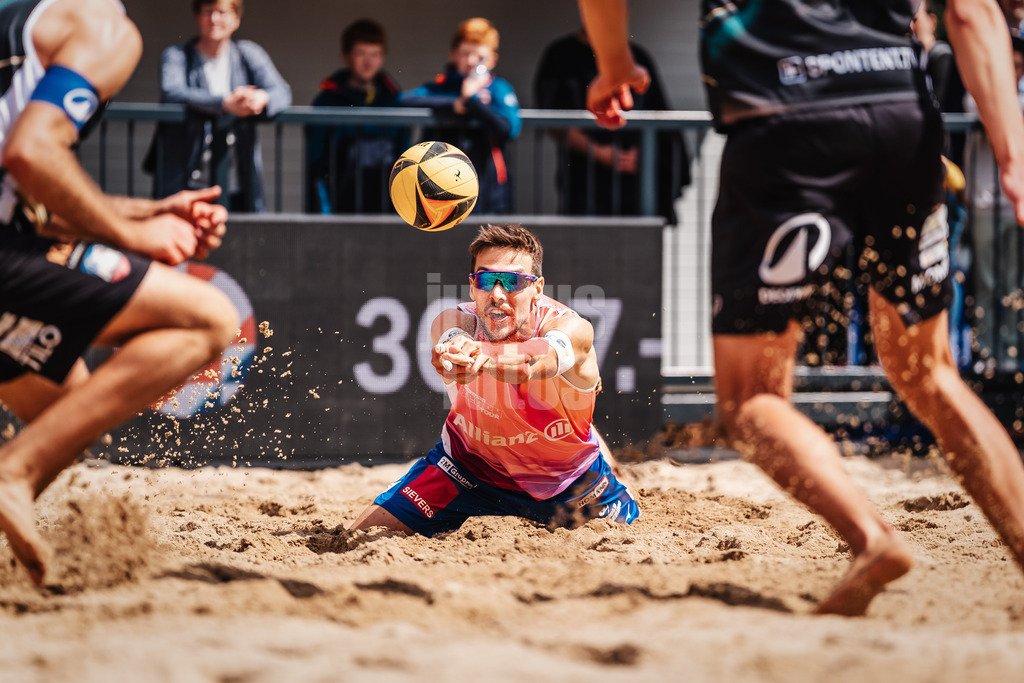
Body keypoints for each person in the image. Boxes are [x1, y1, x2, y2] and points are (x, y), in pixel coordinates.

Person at [581, 0, 1024, 616]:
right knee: (931, 374)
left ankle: (873, 541)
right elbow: (974, 12)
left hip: (786, 122)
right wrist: (1013, 154)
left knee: (751, 399)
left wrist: (614, 62)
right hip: (903, 114)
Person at [0, 0, 239, 585]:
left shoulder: (20, 22)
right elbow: (30, 156)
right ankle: (13, 473)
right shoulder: (102, 25)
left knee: (64, 413)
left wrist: (153, 209)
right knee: (206, 317)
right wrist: (134, 234)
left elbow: (36, 208)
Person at [350, 224, 639, 535]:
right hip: (466, 470)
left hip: (568, 486)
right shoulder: (455, 321)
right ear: (473, 287)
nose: (498, 294)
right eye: (486, 280)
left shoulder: (573, 329)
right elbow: (452, 340)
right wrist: (452, 355)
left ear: (537, 288)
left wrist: (482, 357)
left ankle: (607, 464)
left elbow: (530, 361)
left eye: (513, 281)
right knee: (355, 538)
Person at [533, 29, 689, 223]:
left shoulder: (636, 57)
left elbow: (660, 117)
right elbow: (553, 119)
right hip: (584, 183)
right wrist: (599, 152)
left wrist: (643, 155)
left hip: (633, 185)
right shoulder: (561, 55)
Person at [149, 0, 291, 212]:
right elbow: (172, 92)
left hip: (238, 180)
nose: (214, 19)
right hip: (185, 180)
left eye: (222, 12)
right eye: (207, 12)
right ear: (197, 17)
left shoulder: (247, 54)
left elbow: (282, 92)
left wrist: (261, 98)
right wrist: (225, 103)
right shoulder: (178, 55)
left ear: (236, 20)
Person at [399, 18, 521, 215]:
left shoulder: (499, 88)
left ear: (492, 60)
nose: (471, 62)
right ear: (453, 55)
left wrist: (472, 100)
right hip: (441, 186)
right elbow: (404, 100)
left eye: (480, 57)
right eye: (465, 54)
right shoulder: (442, 86)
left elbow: (510, 129)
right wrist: (454, 104)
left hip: (489, 190)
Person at [962, 33, 1024, 370]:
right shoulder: (979, 89)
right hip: (986, 201)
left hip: (1015, 205)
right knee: (985, 282)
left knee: (1013, 283)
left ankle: (1011, 353)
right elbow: (990, 120)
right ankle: (985, 352)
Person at [305, 18, 404, 214]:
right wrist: (322, 214)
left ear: (383, 57)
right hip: (340, 209)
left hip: (387, 211)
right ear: (346, 56)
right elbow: (316, 165)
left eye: (374, 54)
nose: (368, 61)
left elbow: (404, 158)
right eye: (361, 53)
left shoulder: (395, 101)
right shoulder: (326, 101)